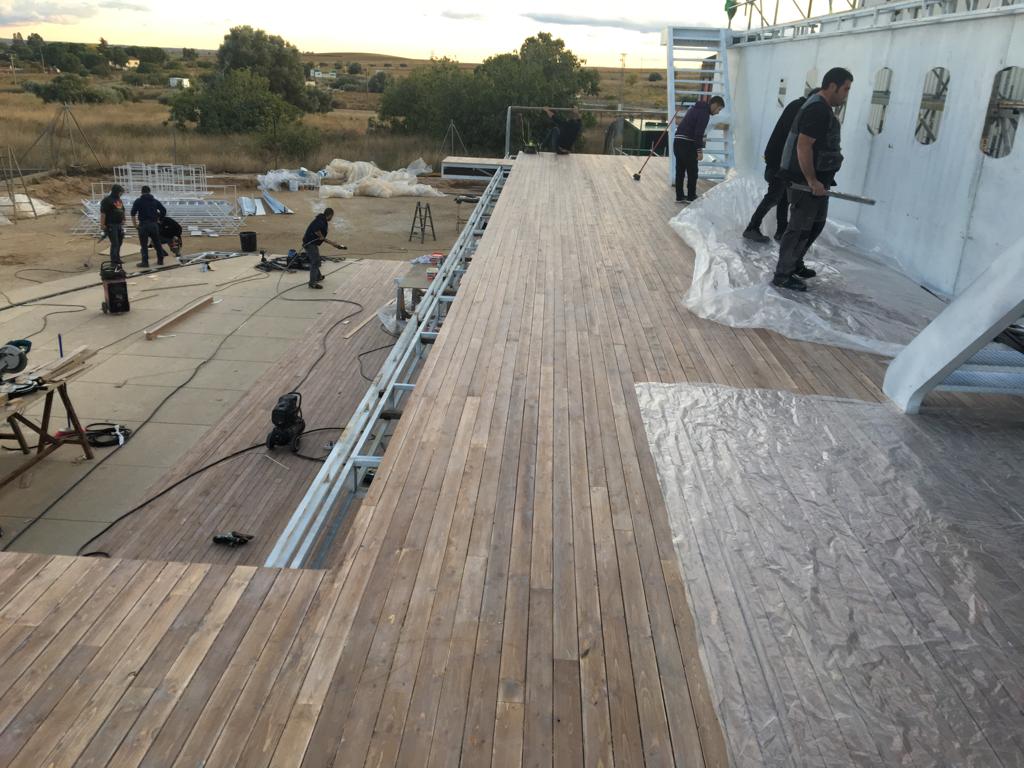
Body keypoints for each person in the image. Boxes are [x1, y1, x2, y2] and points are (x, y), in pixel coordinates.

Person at [772, 68, 853, 292]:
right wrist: (811, 180)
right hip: (806, 182)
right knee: (799, 227)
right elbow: (803, 145)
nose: (846, 95)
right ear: (833, 86)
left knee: (816, 223)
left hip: (819, 181)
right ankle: (783, 274)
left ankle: (795, 262)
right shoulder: (817, 109)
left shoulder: (823, 108)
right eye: (845, 89)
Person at [743, 88, 821, 244]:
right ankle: (752, 227)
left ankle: (781, 230)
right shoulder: (800, 109)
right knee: (774, 196)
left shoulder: (798, 106)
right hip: (779, 161)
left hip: (781, 161)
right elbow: (793, 140)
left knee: (784, 196)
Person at [673, 95, 725, 203]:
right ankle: (691, 196)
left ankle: (679, 196)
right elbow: (698, 134)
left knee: (680, 171)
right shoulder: (704, 114)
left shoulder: (694, 109)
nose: (718, 112)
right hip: (687, 144)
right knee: (692, 172)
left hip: (677, 141)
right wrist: (699, 151)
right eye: (719, 109)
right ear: (714, 105)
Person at [302, 208, 344, 289]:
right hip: (310, 244)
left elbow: (322, 238)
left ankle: (318, 276)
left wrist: (333, 244)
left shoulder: (321, 219)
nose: (332, 218)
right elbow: (316, 230)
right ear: (330, 215)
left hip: (311, 243)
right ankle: (312, 283)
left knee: (316, 260)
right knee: (315, 262)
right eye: (332, 216)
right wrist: (321, 235)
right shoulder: (320, 221)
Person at [130, 185, 168, 268]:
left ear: (141, 192)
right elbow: (163, 210)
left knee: (144, 245)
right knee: (157, 243)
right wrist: (159, 219)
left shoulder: (138, 201)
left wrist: (135, 225)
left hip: (143, 225)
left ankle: (145, 262)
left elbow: (133, 214)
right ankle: (160, 260)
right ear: (149, 192)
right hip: (154, 225)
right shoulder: (155, 201)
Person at [98, 184, 126, 266]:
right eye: (121, 192)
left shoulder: (119, 200)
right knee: (115, 243)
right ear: (116, 191)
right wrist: (102, 224)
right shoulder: (107, 200)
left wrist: (123, 219)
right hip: (111, 224)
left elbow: (122, 210)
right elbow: (103, 213)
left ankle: (117, 258)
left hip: (119, 224)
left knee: (120, 242)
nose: (121, 194)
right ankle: (113, 262)